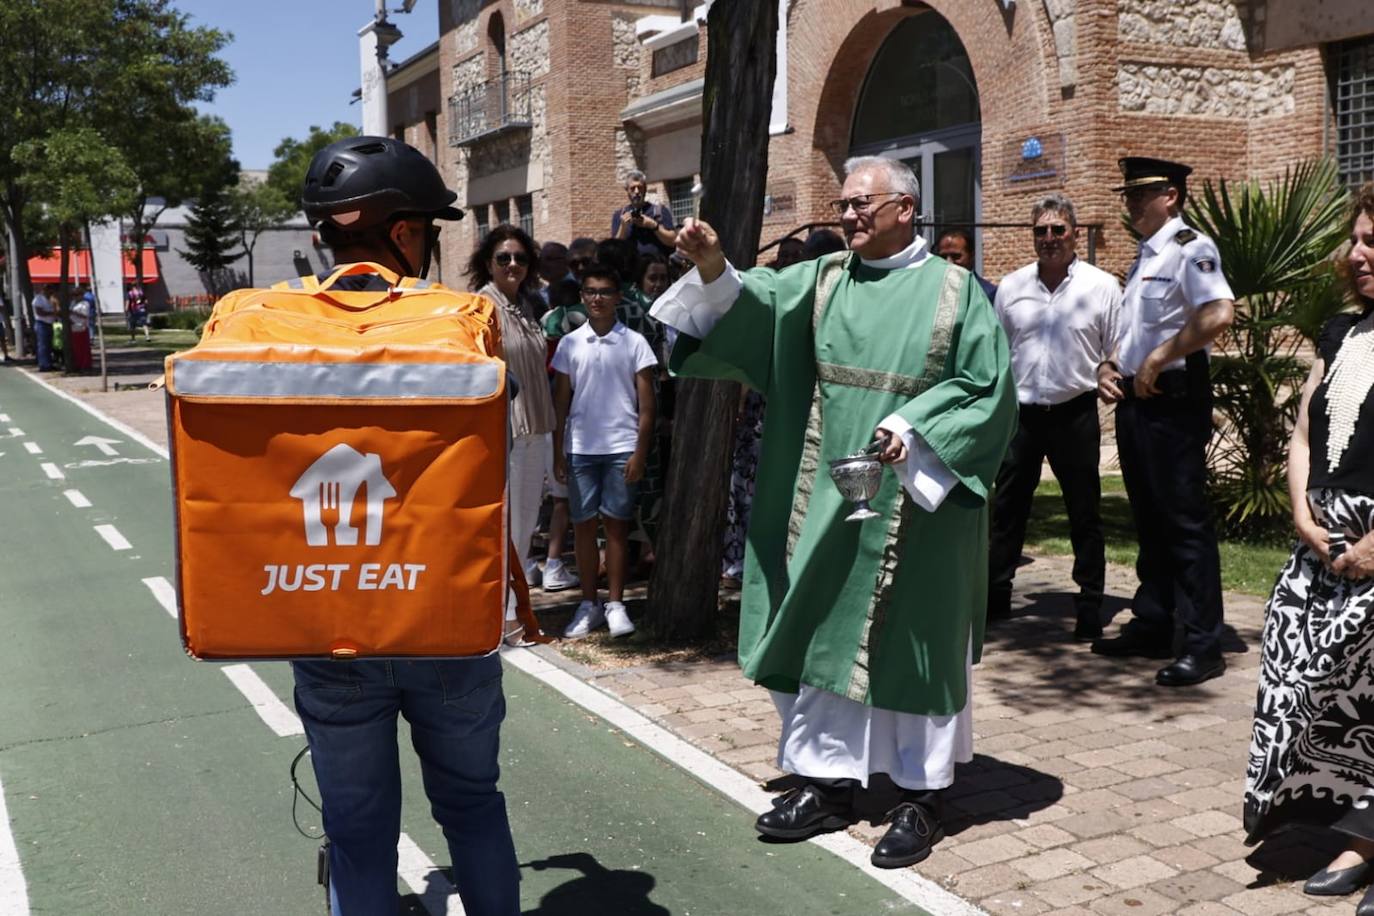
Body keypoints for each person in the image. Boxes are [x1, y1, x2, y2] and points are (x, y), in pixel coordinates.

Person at [650, 156, 1016, 868]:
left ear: (905, 208)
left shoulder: (956, 293)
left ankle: (920, 794)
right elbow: (749, 306)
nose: (846, 216)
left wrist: (913, 429)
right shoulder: (820, 284)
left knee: (917, 644)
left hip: (919, 501)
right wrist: (716, 265)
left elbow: (989, 388)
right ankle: (826, 782)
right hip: (826, 494)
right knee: (823, 623)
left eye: (860, 204)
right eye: (843, 204)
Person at [294, 135, 519, 915]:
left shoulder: (271, 328)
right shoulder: (459, 321)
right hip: (444, 616)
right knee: (472, 803)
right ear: (401, 233)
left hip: (327, 618)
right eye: (428, 227)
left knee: (357, 830)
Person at [1244, 184, 1374, 913]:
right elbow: (1302, 432)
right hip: (1324, 548)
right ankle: (1346, 822)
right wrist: (1299, 511)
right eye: (1354, 240)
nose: (1356, 254)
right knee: (1313, 686)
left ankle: (1366, 843)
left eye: (1372, 241)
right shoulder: (1338, 333)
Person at [1093, 156, 1235, 687]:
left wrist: (1160, 357)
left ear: (1170, 196)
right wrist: (1114, 366)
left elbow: (1219, 313)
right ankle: (1153, 620)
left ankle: (1204, 643)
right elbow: (1136, 335)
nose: (1129, 203)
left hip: (1173, 402)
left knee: (1183, 522)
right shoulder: (1144, 256)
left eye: (1139, 194)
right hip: (1137, 401)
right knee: (1149, 519)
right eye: (1127, 195)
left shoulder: (1189, 248)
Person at [986, 194, 1121, 639]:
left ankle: (1089, 602)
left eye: (1057, 229)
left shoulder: (1101, 286)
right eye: (1040, 231)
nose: (1049, 238)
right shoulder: (1011, 287)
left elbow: (1116, 345)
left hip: (1075, 412)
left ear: (1074, 233)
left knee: (1084, 512)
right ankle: (996, 594)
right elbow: (996, 351)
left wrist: (1108, 367)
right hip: (1021, 416)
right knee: (1007, 508)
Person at [551, 264, 657, 640]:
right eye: (591, 291)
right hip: (580, 449)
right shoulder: (570, 343)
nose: (598, 298)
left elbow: (647, 406)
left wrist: (639, 452)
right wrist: (558, 451)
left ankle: (615, 604)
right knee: (581, 528)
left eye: (605, 291)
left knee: (616, 527)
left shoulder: (635, 342)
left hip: (621, 447)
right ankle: (588, 603)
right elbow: (560, 403)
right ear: (582, 295)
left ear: (618, 297)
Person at [468, 224, 556, 645]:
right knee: (507, 527)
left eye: (520, 258)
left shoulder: (528, 304)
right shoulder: (482, 307)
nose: (513, 265)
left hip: (537, 425)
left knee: (526, 526)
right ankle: (501, 616)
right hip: (508, 430)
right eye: (504, 258)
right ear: (489, 262)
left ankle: (515, 610)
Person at [611, 170, 676, 257]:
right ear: (627, 190)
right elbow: (614, 250)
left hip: (657, 268)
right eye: (632, 188)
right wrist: (623, 227)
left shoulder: (659, 211)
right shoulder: (619, 215)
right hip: (630, 269)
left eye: (640, 187)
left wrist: (653, 225)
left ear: (645, 189)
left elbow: (673, 242)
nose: (637, 191)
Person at [935, 228, 998, 302]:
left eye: (956, 256)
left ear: (971, 256)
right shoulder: (930, 291)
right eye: (943, 257)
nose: (949, 262)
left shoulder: (987, 293)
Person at [32, 285, 56, 371]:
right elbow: (40, 312)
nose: (50, 292)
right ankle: (43, 365)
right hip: (41, 324)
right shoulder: (39, 299)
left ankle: (49, 363)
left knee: (49, 345)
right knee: (43, 345)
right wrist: (52, 313)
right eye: (48, 290)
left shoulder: (50, 299)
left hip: (49, 324)